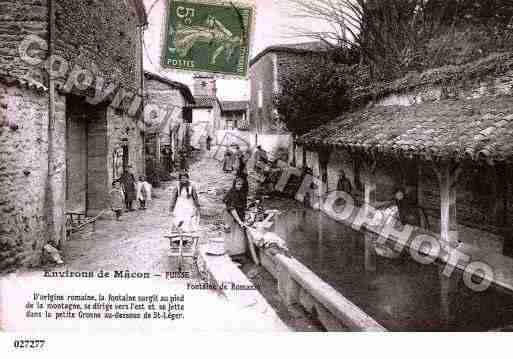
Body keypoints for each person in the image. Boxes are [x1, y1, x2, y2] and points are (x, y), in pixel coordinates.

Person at [223, 176, 259, 264]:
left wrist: (251, 205)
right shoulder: (232, 193)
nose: (239, 186)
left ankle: (236, 255)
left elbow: (241, 207)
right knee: (230, 235)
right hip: (230, 216)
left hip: (238, 215)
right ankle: (230, 255)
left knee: (238, 236)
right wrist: (239, 221)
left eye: (241, 185)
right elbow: (232, 209)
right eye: (238, 184)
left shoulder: (240, 194)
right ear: (234, 184)